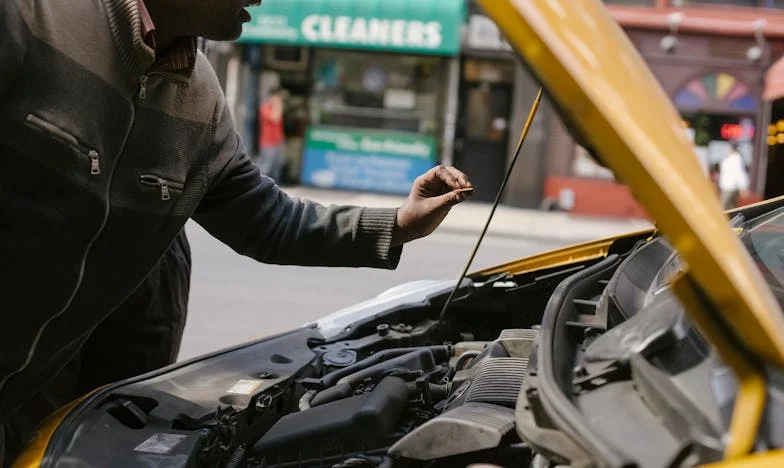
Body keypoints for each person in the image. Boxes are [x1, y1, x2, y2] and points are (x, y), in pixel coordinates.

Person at [0, 0, 473, 464]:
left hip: (24, 400)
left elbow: (267, 219)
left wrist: (397, 224)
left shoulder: (200, 98)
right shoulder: (30, 17)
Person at [258, 86, 287, 183]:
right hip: (268, 143)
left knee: (276, 169)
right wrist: (277, 105)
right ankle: (259, 188)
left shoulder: (277, 108)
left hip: (278, 142)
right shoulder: (265, 108)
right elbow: (275, 118)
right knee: (266, 168)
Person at [719, 143, 750, 210]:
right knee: (731, 207)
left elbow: (740, 173)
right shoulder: (731, 158)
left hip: (730, 187)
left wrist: (743, 187)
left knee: (723, 207)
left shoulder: (736, 159)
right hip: (727, 187)